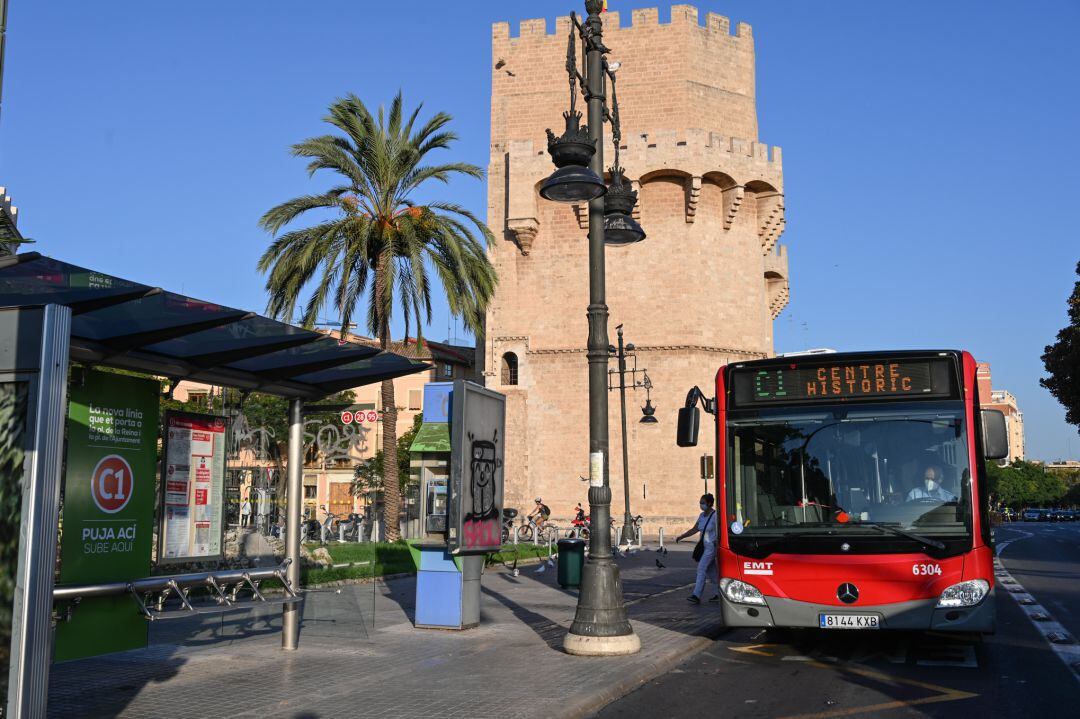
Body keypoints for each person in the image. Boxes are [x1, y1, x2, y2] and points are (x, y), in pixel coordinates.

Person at [676, 493, 719, 604]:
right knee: (712, 572)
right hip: (703, 547)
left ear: (709, 503)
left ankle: (696, 595)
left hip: (711, 548)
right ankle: (719, 594)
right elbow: (694, 529)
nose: (701, 505)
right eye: (700, 502)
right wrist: (682, 536)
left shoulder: (715, 516)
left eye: (703, 502)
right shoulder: (701, 516)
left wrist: (717, 541)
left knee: (701, 569)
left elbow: (721, 530)